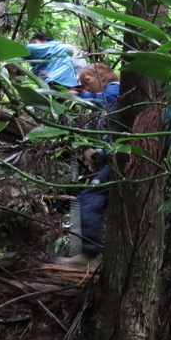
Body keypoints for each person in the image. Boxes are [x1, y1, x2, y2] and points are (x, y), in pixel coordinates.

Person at [59, 63, 120, 265]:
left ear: (101, 77)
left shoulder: (114, 88)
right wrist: (100, 154)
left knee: (91, 197)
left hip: (125, 159)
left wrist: (76, 96)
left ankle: (90, 255)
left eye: (87, 82)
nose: (86, 88)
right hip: (119, 157)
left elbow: (106, 102)